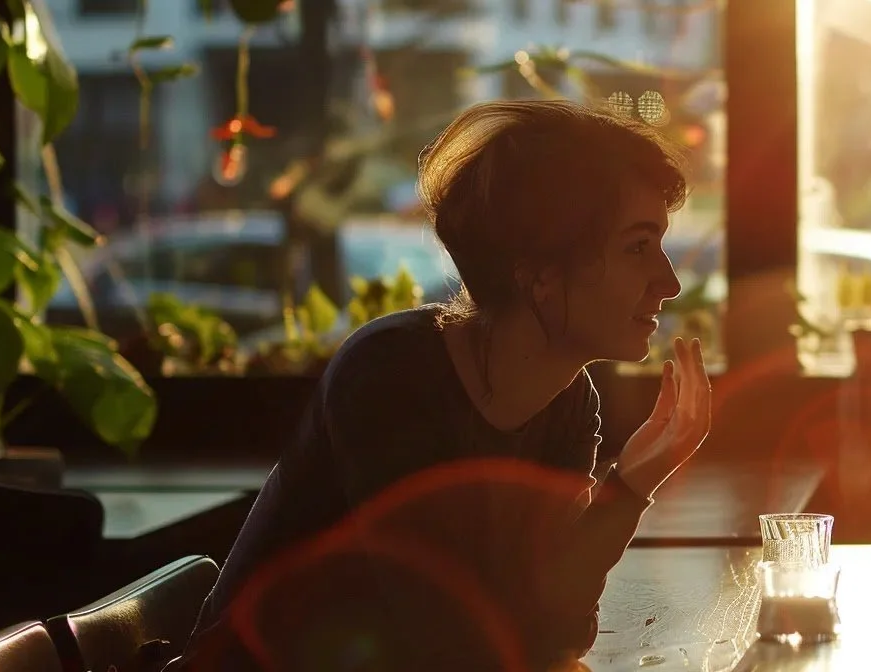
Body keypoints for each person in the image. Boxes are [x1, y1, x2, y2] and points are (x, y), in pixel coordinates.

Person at [181, 99, 712, 670]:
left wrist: (633, 482)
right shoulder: (391, 376)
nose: (670, 282)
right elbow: (446, 646)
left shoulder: (569, 403)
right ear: (540, 274)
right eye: (637, 247)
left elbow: (557, 632)